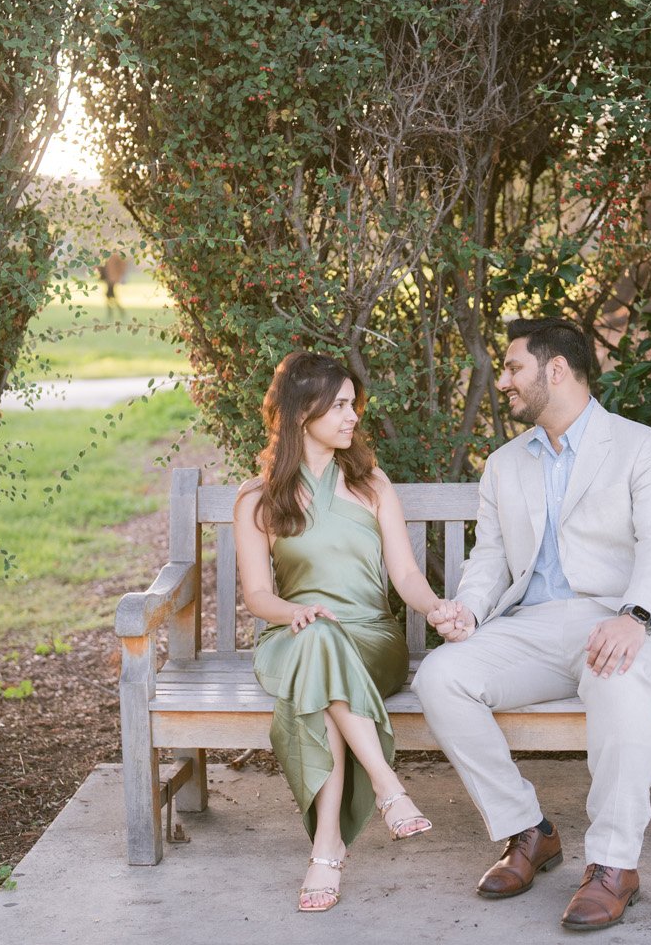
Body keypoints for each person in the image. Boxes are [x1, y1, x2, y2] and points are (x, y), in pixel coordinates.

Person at [413, 317, 651, 931]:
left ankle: (614, 865)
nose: (504, 382)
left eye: (514, 368)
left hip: (627, 616)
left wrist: (635, 616)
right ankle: (527, 831)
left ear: (557, 370)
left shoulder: (640, 446)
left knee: (618, 677)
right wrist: (469, 610)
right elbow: (491, 558)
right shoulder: (504, 464)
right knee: (440, 677)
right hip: (537, 625)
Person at [234, 352, 443, 913]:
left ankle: (328, 847)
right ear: (303, 412)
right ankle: (387, 787)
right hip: (293, 638)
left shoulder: (371, 486)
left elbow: (405, 576)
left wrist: (435, 608)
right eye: (341, 406)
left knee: (326, 661)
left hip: (371, 641)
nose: (353, 417)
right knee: (320, 643)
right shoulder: (257, 498)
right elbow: (258, 596)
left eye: (354, 405)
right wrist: (293, 613)